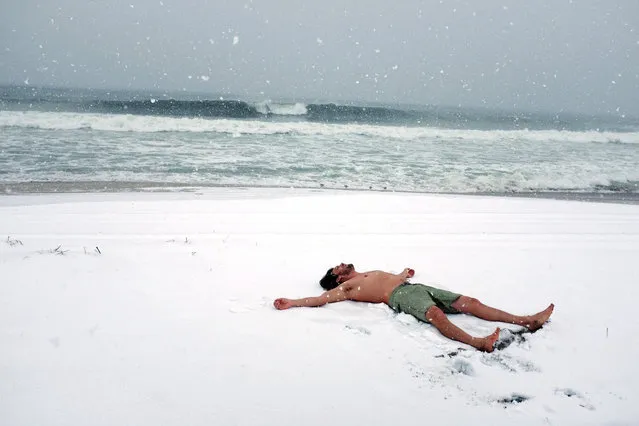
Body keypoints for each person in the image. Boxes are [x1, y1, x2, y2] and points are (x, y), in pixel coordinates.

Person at [273, 263, 554, 352]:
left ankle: (526, 320)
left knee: (471, 303)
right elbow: (320, 300)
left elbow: (392, 277)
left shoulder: (367, 272)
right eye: (338, 267)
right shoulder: (345, 288)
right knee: (435, 314)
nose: (343, 263)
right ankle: (478, 343)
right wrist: (293, 302)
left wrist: (405, 273)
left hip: (412, 288)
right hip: (400, 298)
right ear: (337, 277)